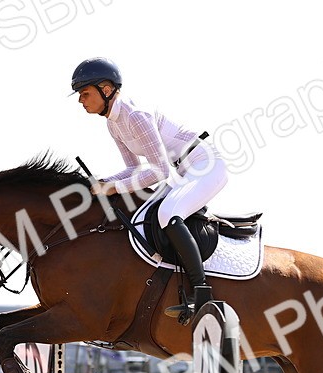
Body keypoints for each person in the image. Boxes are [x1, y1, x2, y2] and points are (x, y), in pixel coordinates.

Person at [71, 57, 228, 324]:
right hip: (180, 172)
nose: (80, 100)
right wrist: (99, 183)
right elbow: (133, 169)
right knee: (145, 217)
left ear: (106, 90)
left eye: (85, 93)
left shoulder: (136, 115)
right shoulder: (113, 123)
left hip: (204, 165)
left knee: (167, 213)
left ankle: (202, 293)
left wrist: (113, 189)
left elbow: (158, 172)